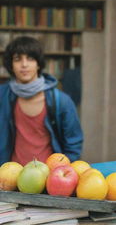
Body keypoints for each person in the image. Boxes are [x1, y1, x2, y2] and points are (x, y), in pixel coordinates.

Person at [0, 36, 83, 166]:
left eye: (30, 58)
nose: (24, 64)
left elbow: (73, 144)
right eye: (17, 59)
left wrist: (61, 171)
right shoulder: (2, 95)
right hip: (10, 175)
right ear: (11, 65)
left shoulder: (61, 101)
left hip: (48, 177)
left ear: (38, 64)